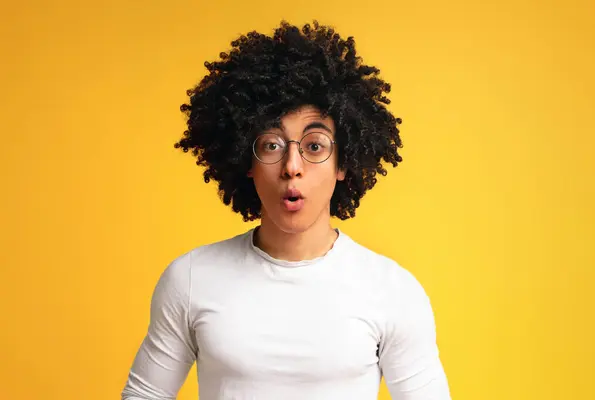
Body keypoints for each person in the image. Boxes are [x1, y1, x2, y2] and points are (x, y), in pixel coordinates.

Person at [122, 20, 451, 400]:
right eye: (272, 144)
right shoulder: (191, 279)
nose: (292, 166)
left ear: (343, 164)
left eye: (314, 146)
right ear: (246, 158)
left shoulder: (393, 292)